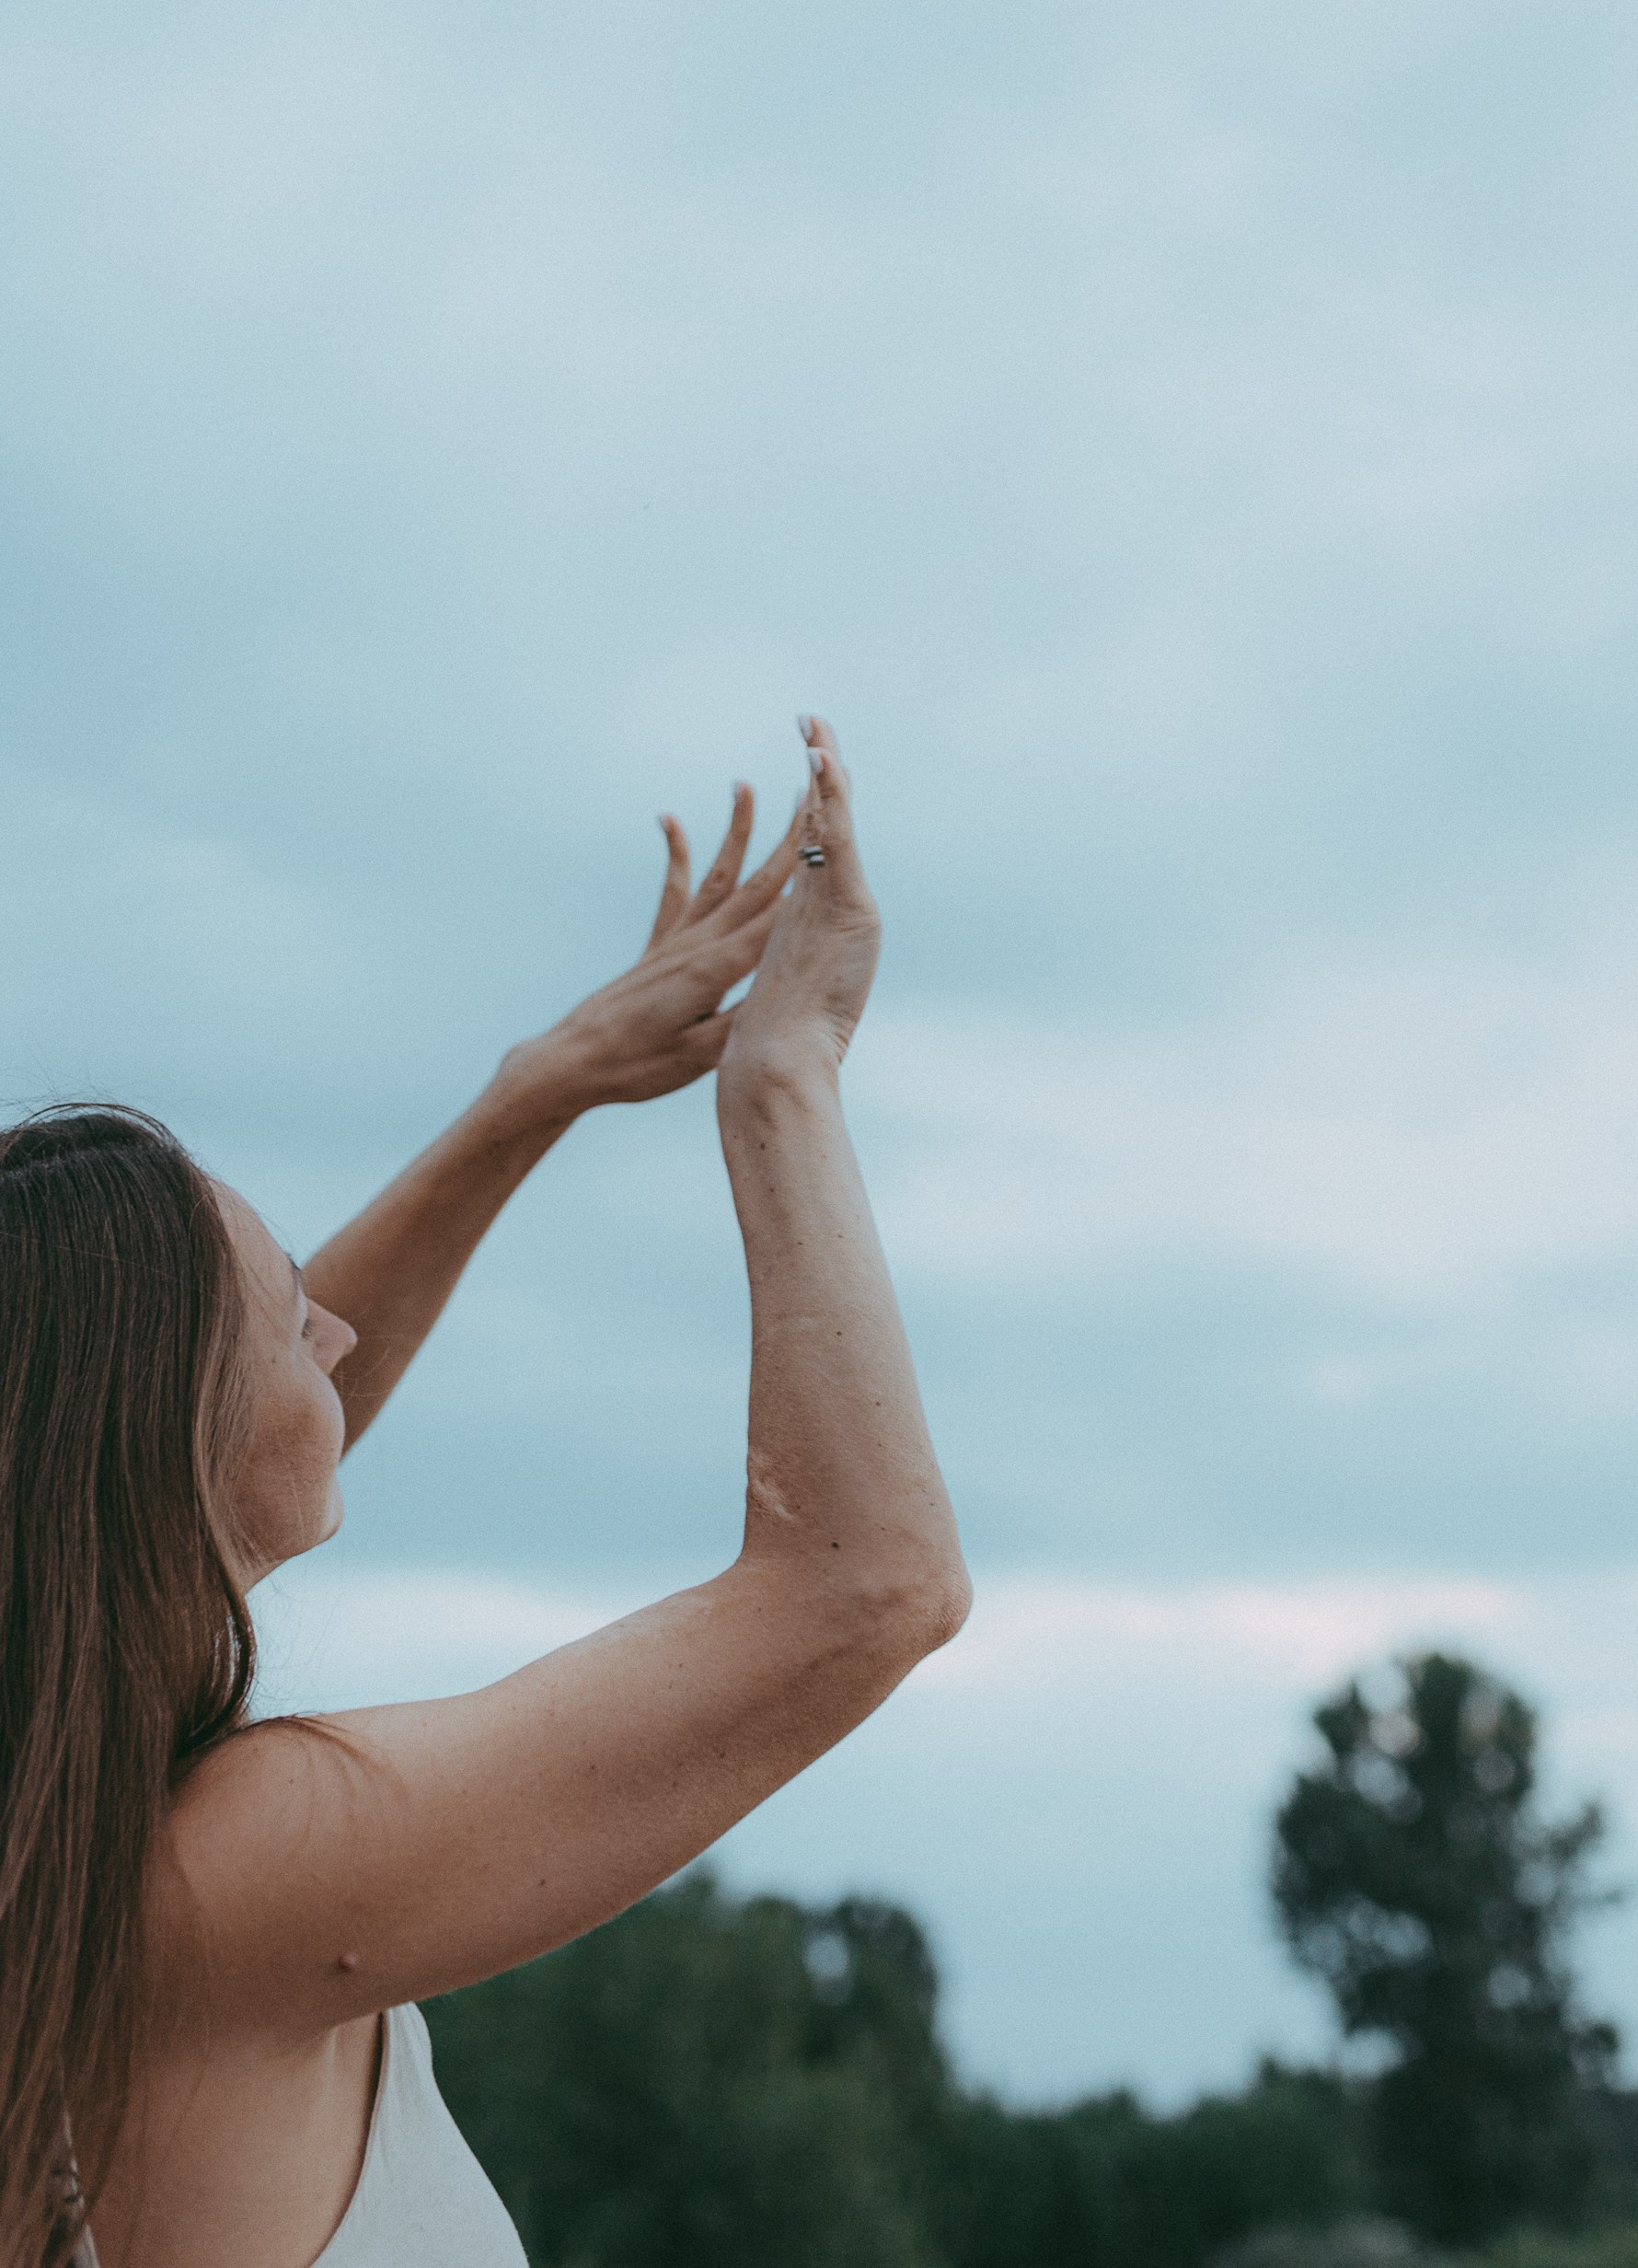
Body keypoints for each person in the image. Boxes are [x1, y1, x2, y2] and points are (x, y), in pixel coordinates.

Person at [0, 719, 971, 2268]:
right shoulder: (215, 1877)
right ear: (161, 1449)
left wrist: (534, 1094)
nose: (337, 1330)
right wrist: (783, 1080)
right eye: (283, 1316)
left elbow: (272, 1413)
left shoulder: (70, 1849)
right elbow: (868, 1588)